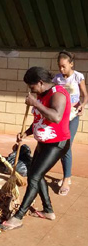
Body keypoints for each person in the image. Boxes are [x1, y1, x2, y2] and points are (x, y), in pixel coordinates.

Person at [2, 66, 71, 230]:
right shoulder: (41, 95)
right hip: (43, 143)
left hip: (57, 144)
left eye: (32, 86)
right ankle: (48, 210)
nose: (30, 90)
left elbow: (55, 116)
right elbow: (39, 119)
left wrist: (35, 103)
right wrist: (25, 133)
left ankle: (18, 217)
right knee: (36, 175)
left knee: (33, 177)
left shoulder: (58, 93)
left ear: (40, 82)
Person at [53, 51, 88, 195]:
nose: (62, 70)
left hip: (73, 117)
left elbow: (85, 96)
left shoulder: (78, 77)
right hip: (61, 117)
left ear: (71, 64)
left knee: (66, 145)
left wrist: (82, 106)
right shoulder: (57, 79)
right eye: (59, 67)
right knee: (61, 145)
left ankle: (66, 179)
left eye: (64, 66)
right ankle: (67, 174)